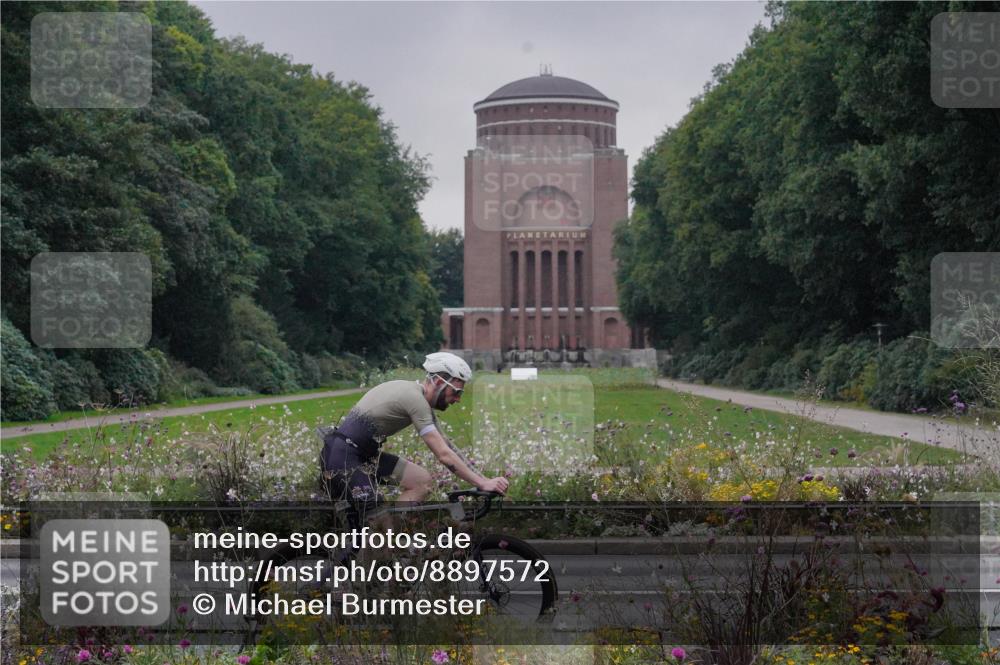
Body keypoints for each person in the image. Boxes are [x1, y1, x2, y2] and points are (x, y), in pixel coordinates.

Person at [319, 352, 509, 525]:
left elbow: (449, 447)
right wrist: (482, 483)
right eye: (456, 392)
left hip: (359, 456)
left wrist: (484, 480)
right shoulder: (415, 400)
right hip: (343, 459)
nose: (458, 399)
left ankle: (394, 541)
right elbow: (443, 455)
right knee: (381, 529)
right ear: (440, 383)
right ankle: (382, 545)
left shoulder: (417, 398)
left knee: (421, 480)